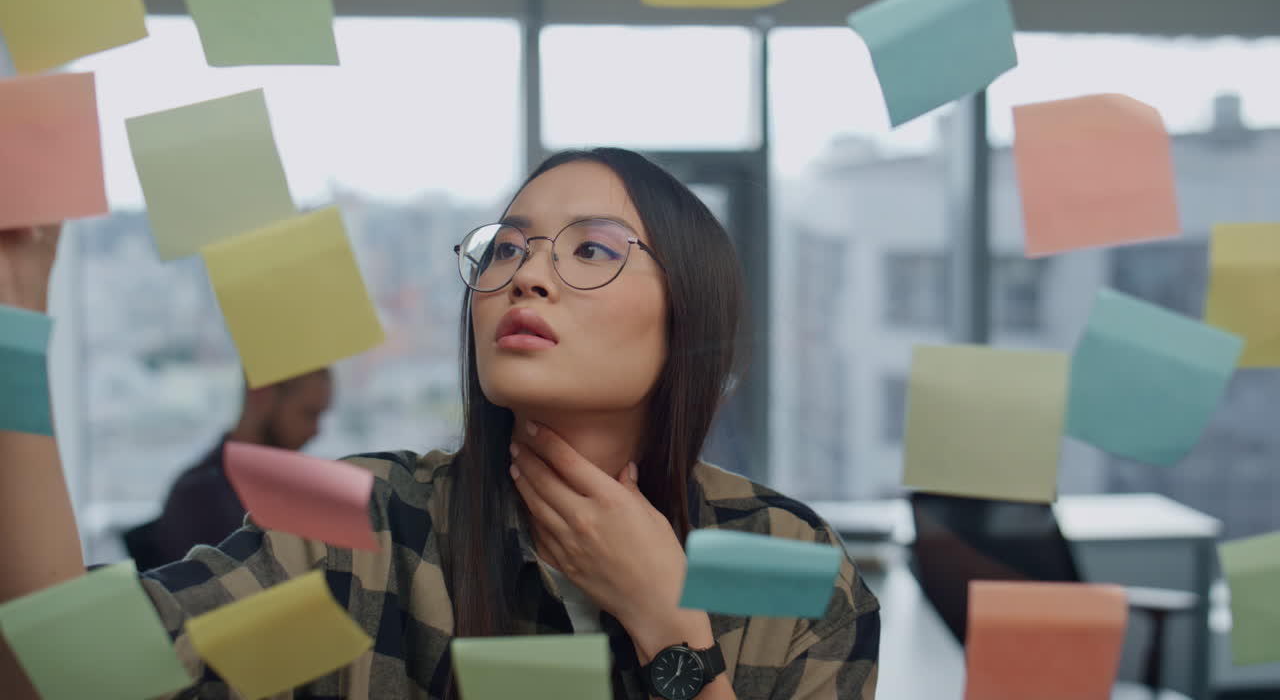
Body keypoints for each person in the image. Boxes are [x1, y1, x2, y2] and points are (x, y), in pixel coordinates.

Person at [0, 148, 880, 700]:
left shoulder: (790, 564)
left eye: (592, 250)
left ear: (689, 317)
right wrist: (16, 314)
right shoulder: (360, 519)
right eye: (506, 246)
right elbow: (55, 672)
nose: (526, 274)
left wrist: (664, 620)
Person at [124, 369, 334, 571]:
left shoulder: (294, 491)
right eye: (309, 414)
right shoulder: (199, 496)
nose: (315, 431)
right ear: (261, 394)